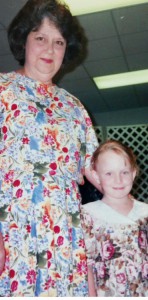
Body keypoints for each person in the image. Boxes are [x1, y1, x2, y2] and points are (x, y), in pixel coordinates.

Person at [0, 0, 99, 296]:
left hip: (66, 244)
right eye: (40, 37)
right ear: (23, 40)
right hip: (12, 240)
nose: (50, 49)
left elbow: (100, 173)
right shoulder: (1, 92)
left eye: (59, 42)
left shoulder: (75, 108)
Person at [81, 140, 148, 297]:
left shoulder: (145, 213)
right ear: (96, 176)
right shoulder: (87, 215)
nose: (118, 180)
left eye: (124, 172)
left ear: (134, 173)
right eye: (109, 173)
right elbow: (87, 266)